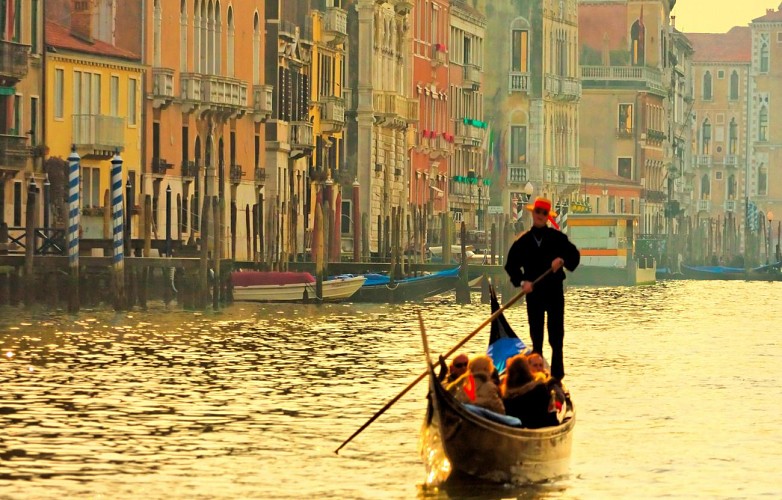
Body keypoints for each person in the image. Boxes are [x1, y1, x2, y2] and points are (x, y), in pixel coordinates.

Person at [504, 197, 580, 383]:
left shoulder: (558, 238)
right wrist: (522, 282)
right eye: (538, 212)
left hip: (554, 292)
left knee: (556, 335)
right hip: (534, 293)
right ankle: (536, 373)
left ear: (547, 216)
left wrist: (562, 260)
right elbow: (511, 266)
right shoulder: (523, 241)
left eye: (544, 213)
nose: (540, 215)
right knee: (536, 335)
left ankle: (556, 376)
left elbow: (574, 257)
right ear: (533, 213)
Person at [501, 355, 559, 429]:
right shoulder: (540, 388)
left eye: (540, 365)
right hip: (539, 428)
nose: (538, 368)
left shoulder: (506, 398)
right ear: (528, 371)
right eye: (535, 365)